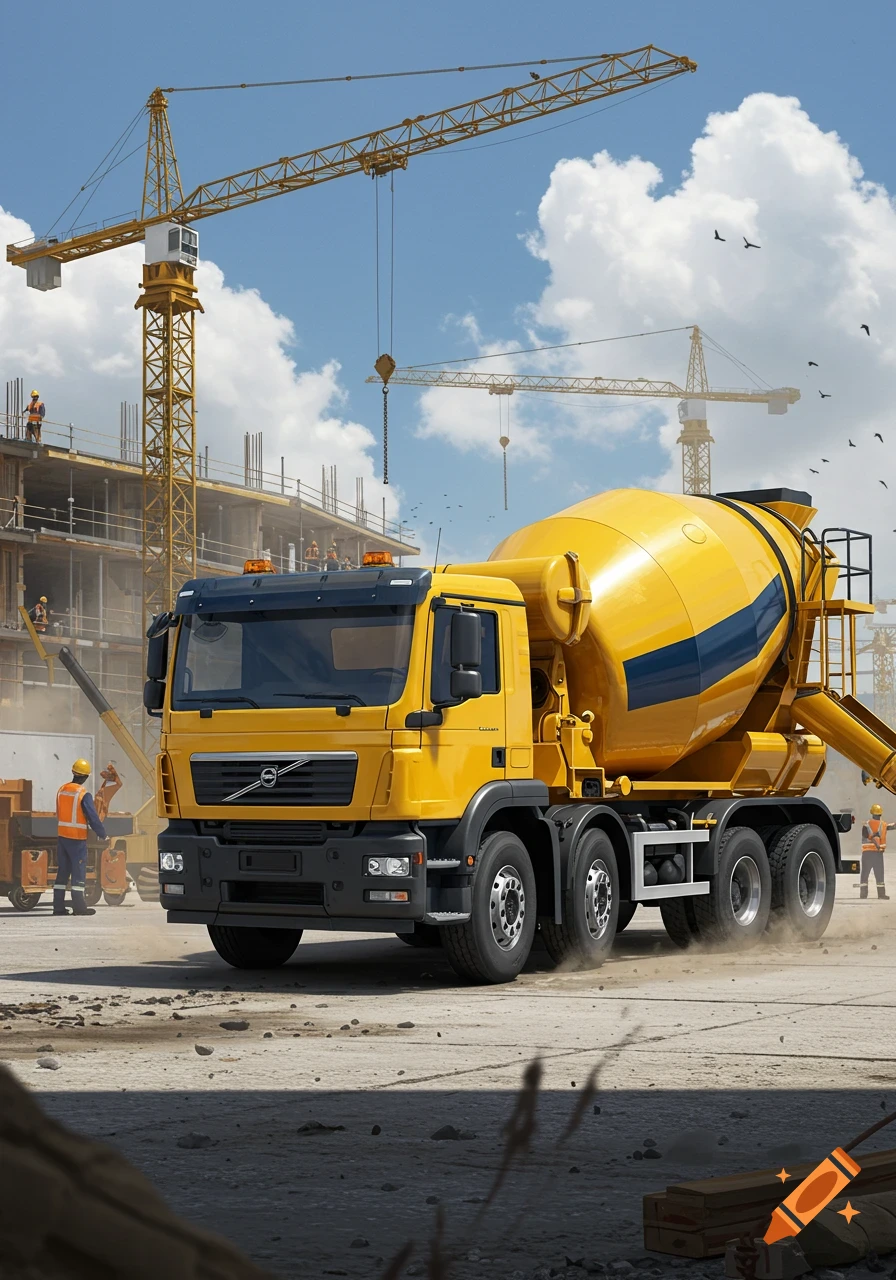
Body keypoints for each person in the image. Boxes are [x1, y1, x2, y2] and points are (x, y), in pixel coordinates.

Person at [54, 759, 106, 917]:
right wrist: (102, 834)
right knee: (78, 873)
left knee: (62, 872)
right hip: (76, 839)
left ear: (73, 772)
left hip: (62, 837)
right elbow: (92, 817)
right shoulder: (83, 794)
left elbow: (59, 812)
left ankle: (58, 908)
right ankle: (79, 908)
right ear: (86, 777)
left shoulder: (61, 790)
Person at [860, 802, 895, 900]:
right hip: (878, 854)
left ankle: (863, 894)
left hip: (867, 854)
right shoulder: (883, 825)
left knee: (865, 874)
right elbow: (893, 826)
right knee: (879, 874)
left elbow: (865, 835)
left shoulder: (866, 825)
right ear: (880, 814)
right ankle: (881, 895)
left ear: (872, 813)